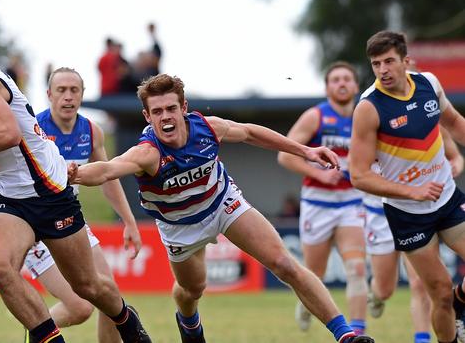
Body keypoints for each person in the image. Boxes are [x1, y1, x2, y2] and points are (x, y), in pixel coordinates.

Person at [69, 73, 374, 343]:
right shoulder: (147, 153)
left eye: (171, 108)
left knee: (284, 263)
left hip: (222, 203)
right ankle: (188, 322)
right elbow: (108, 169)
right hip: (180, 227)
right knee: (191, 291)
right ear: (147, 116)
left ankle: (345, 334)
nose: (166, 117)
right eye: (158, 111)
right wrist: (76, 174)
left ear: (183, 108)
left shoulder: (207, 128)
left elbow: (252, 133)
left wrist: (305, 150)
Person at [0, 10, 151, 343]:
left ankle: (125, 319)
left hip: (46, 190)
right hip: (5, 194)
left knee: (87, 288)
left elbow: (8, 133)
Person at [350, 30, 465, 343]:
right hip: (408, 213)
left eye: (389, 61)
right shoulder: (369, 107)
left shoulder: (429, 83)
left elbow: (453, 122)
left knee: (450, 296)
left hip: (447, 198)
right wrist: (412, 191)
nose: (383, 70)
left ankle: (462, 302)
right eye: (376, 64)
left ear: (406, 61)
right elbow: (358, 175)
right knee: (439, 293)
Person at [21, 66, 143, 343]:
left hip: (69, 220)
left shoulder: (91, 130)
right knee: (79, 307)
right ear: (49, 95)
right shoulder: (33, 130)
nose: (67, 97)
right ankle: (38, 333)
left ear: (82, 95)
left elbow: (108, 176)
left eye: (73, 90)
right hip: (35, 226)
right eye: (61, 90)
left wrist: (129, 221)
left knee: (109, 295)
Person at [277, 61, 368, 335]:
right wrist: (318, 174)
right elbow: (284, 156)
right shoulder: (315, 116)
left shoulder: (366, 115)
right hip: (317, 202)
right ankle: (305, 306)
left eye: (346, 79)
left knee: (356, 269)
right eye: (335, 79)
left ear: (355, 85)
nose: (341, 83)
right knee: (313, 274)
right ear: (327, 87)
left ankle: (359, 333)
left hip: (352, 202)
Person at [365, 128, 463, 343]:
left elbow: (453, 152)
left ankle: (422, 339)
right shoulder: (370, 129)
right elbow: (358, 176)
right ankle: (374, 293)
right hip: (381, 216)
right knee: (384, 290)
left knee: (421, 284)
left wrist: (456, 162)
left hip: (426, 212)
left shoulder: (425, 119)